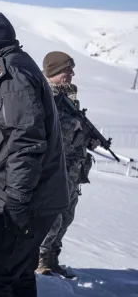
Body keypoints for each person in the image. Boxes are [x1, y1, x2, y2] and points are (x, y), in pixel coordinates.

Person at [0, 12, 68, 297]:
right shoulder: (11, 68)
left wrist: (17, 202)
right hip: (23, 198)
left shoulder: (10, 76)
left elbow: (25, 142)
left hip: (21, 201)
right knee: (18, 275)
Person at [37, 51, 99, 278]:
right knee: (52, 219)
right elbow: (51, 132)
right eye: (66, 70)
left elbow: (76, 129)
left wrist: (87, 139)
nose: (71, 74)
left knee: (66, 217)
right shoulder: (44, 95)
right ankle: (40, 260)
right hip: (54, 171)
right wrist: (75, 129)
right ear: (53, 72)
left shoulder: (69, 97)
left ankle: (52, 258)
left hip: (73, 171)